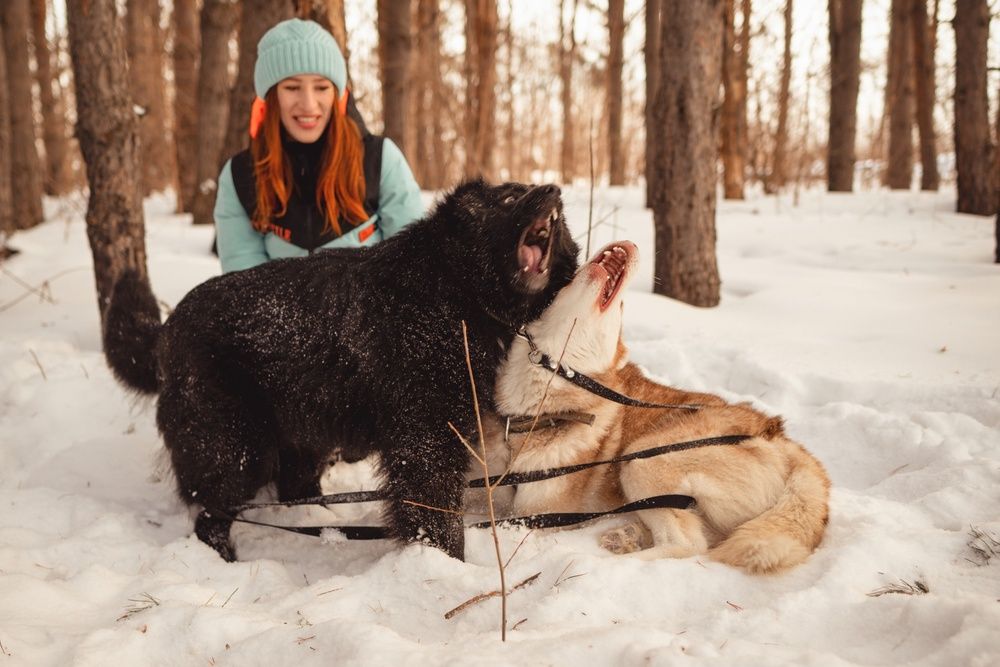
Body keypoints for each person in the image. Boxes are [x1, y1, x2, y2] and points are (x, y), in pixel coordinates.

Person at [214, 18, 424, 273]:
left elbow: (415, 266)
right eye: (292, 87)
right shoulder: (241, 176)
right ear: (271, 96)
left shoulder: (380, 160)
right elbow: (243, 282)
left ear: (337, 96)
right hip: (279, 310)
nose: (309, 104)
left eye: (322, 87)